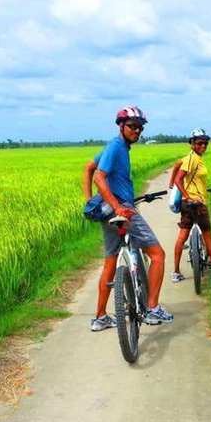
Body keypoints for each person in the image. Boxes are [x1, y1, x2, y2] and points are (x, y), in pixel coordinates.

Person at [83, 106, 173, 332]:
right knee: (158, 255)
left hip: (108, 213)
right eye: (133, 126)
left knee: (110, 264)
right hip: (121, 209)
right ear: (120, 125)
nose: (137, 131)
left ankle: (100, 317)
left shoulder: (115, 147)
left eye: (140, 127)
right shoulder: (115, 147)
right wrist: (118, 207)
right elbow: (99, 178)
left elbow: (88, 168)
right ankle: (152, 308)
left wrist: (90, 202)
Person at [168, 128, 211, 284]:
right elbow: (179, 180)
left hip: (186, 205)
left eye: (205, 143)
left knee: (182, 236)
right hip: (197, 203)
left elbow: (176, 166)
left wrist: (172, 185)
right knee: (208, 237)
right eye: (199, 143)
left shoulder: (189, 158)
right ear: (192, 144)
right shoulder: (192, 159)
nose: (203, 146)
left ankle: (175, 272)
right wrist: (188, 195)